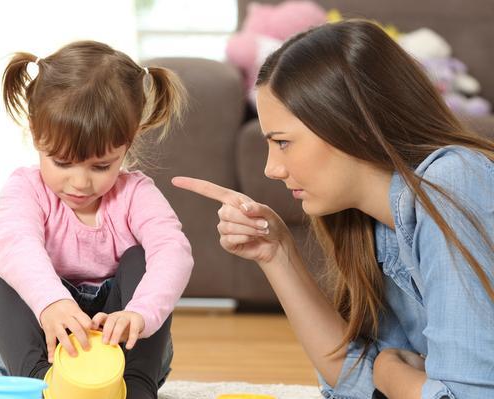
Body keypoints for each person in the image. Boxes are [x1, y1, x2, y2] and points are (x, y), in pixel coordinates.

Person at [173, 20, 494, 399]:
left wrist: (389, 373)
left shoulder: (453, 181)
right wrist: (276, 253)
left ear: (353, 124)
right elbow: (355, 384)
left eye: (283, 142)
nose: (271, 169)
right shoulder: (376, 224)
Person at [0, 40, 193, 399]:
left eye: (101, 166)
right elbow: (13, 241)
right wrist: (51, 302)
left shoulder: (136, 194)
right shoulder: (25, 188)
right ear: (36, 135)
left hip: (123, 363)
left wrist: (140, 314)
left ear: (128, 144)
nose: (80, 183)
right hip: (41, 352)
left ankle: (138, 387)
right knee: (5, 264)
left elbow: (174, 252)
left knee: (141, 258)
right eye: (62, 162)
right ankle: (39, 384)